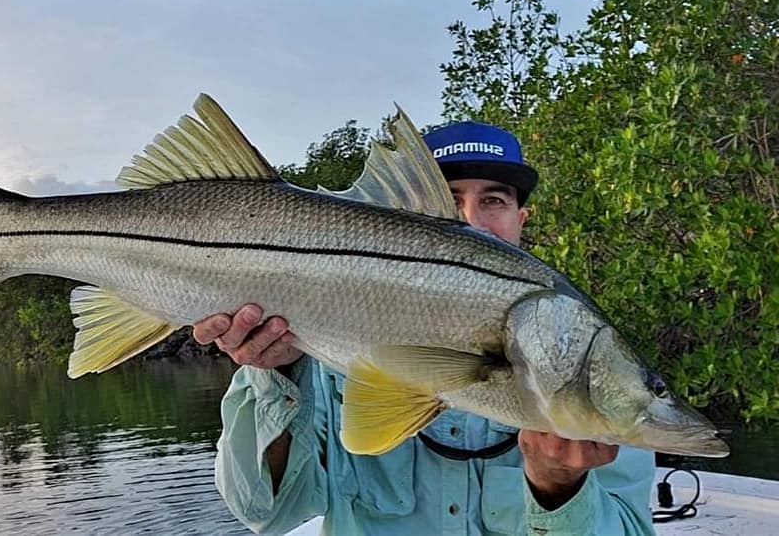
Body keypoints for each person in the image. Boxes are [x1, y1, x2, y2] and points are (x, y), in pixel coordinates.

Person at [196, 121, 657, 535]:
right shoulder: (320, 350)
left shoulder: (586, 358)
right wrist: (275, 375)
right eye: (449, 200)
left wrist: (559, 489)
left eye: (494, 200)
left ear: (521, 221)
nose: (472, 221)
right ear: (402, 215)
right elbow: (262, 512)